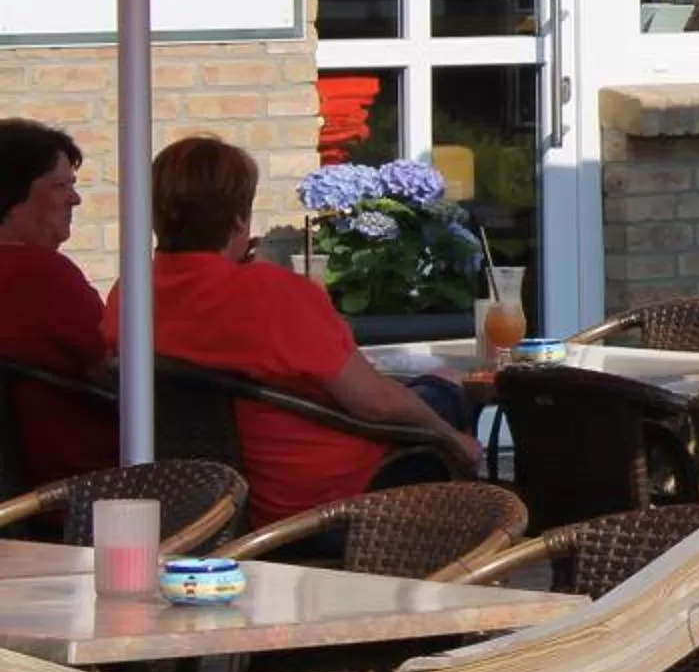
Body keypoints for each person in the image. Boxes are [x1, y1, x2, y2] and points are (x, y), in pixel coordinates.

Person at [117, 136, 480, 527]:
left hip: (197, 503)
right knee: (444, 392)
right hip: (325, 505)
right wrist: (453, 440)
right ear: (239, 220)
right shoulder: (270, 293)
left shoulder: (129, 293)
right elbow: (377, 403)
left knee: (431, 391)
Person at [0, 120, 115, 485]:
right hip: (83, 489)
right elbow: (113, 373)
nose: (75, 199)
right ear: (13, 195)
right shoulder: (43, 275)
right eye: (61, 185)